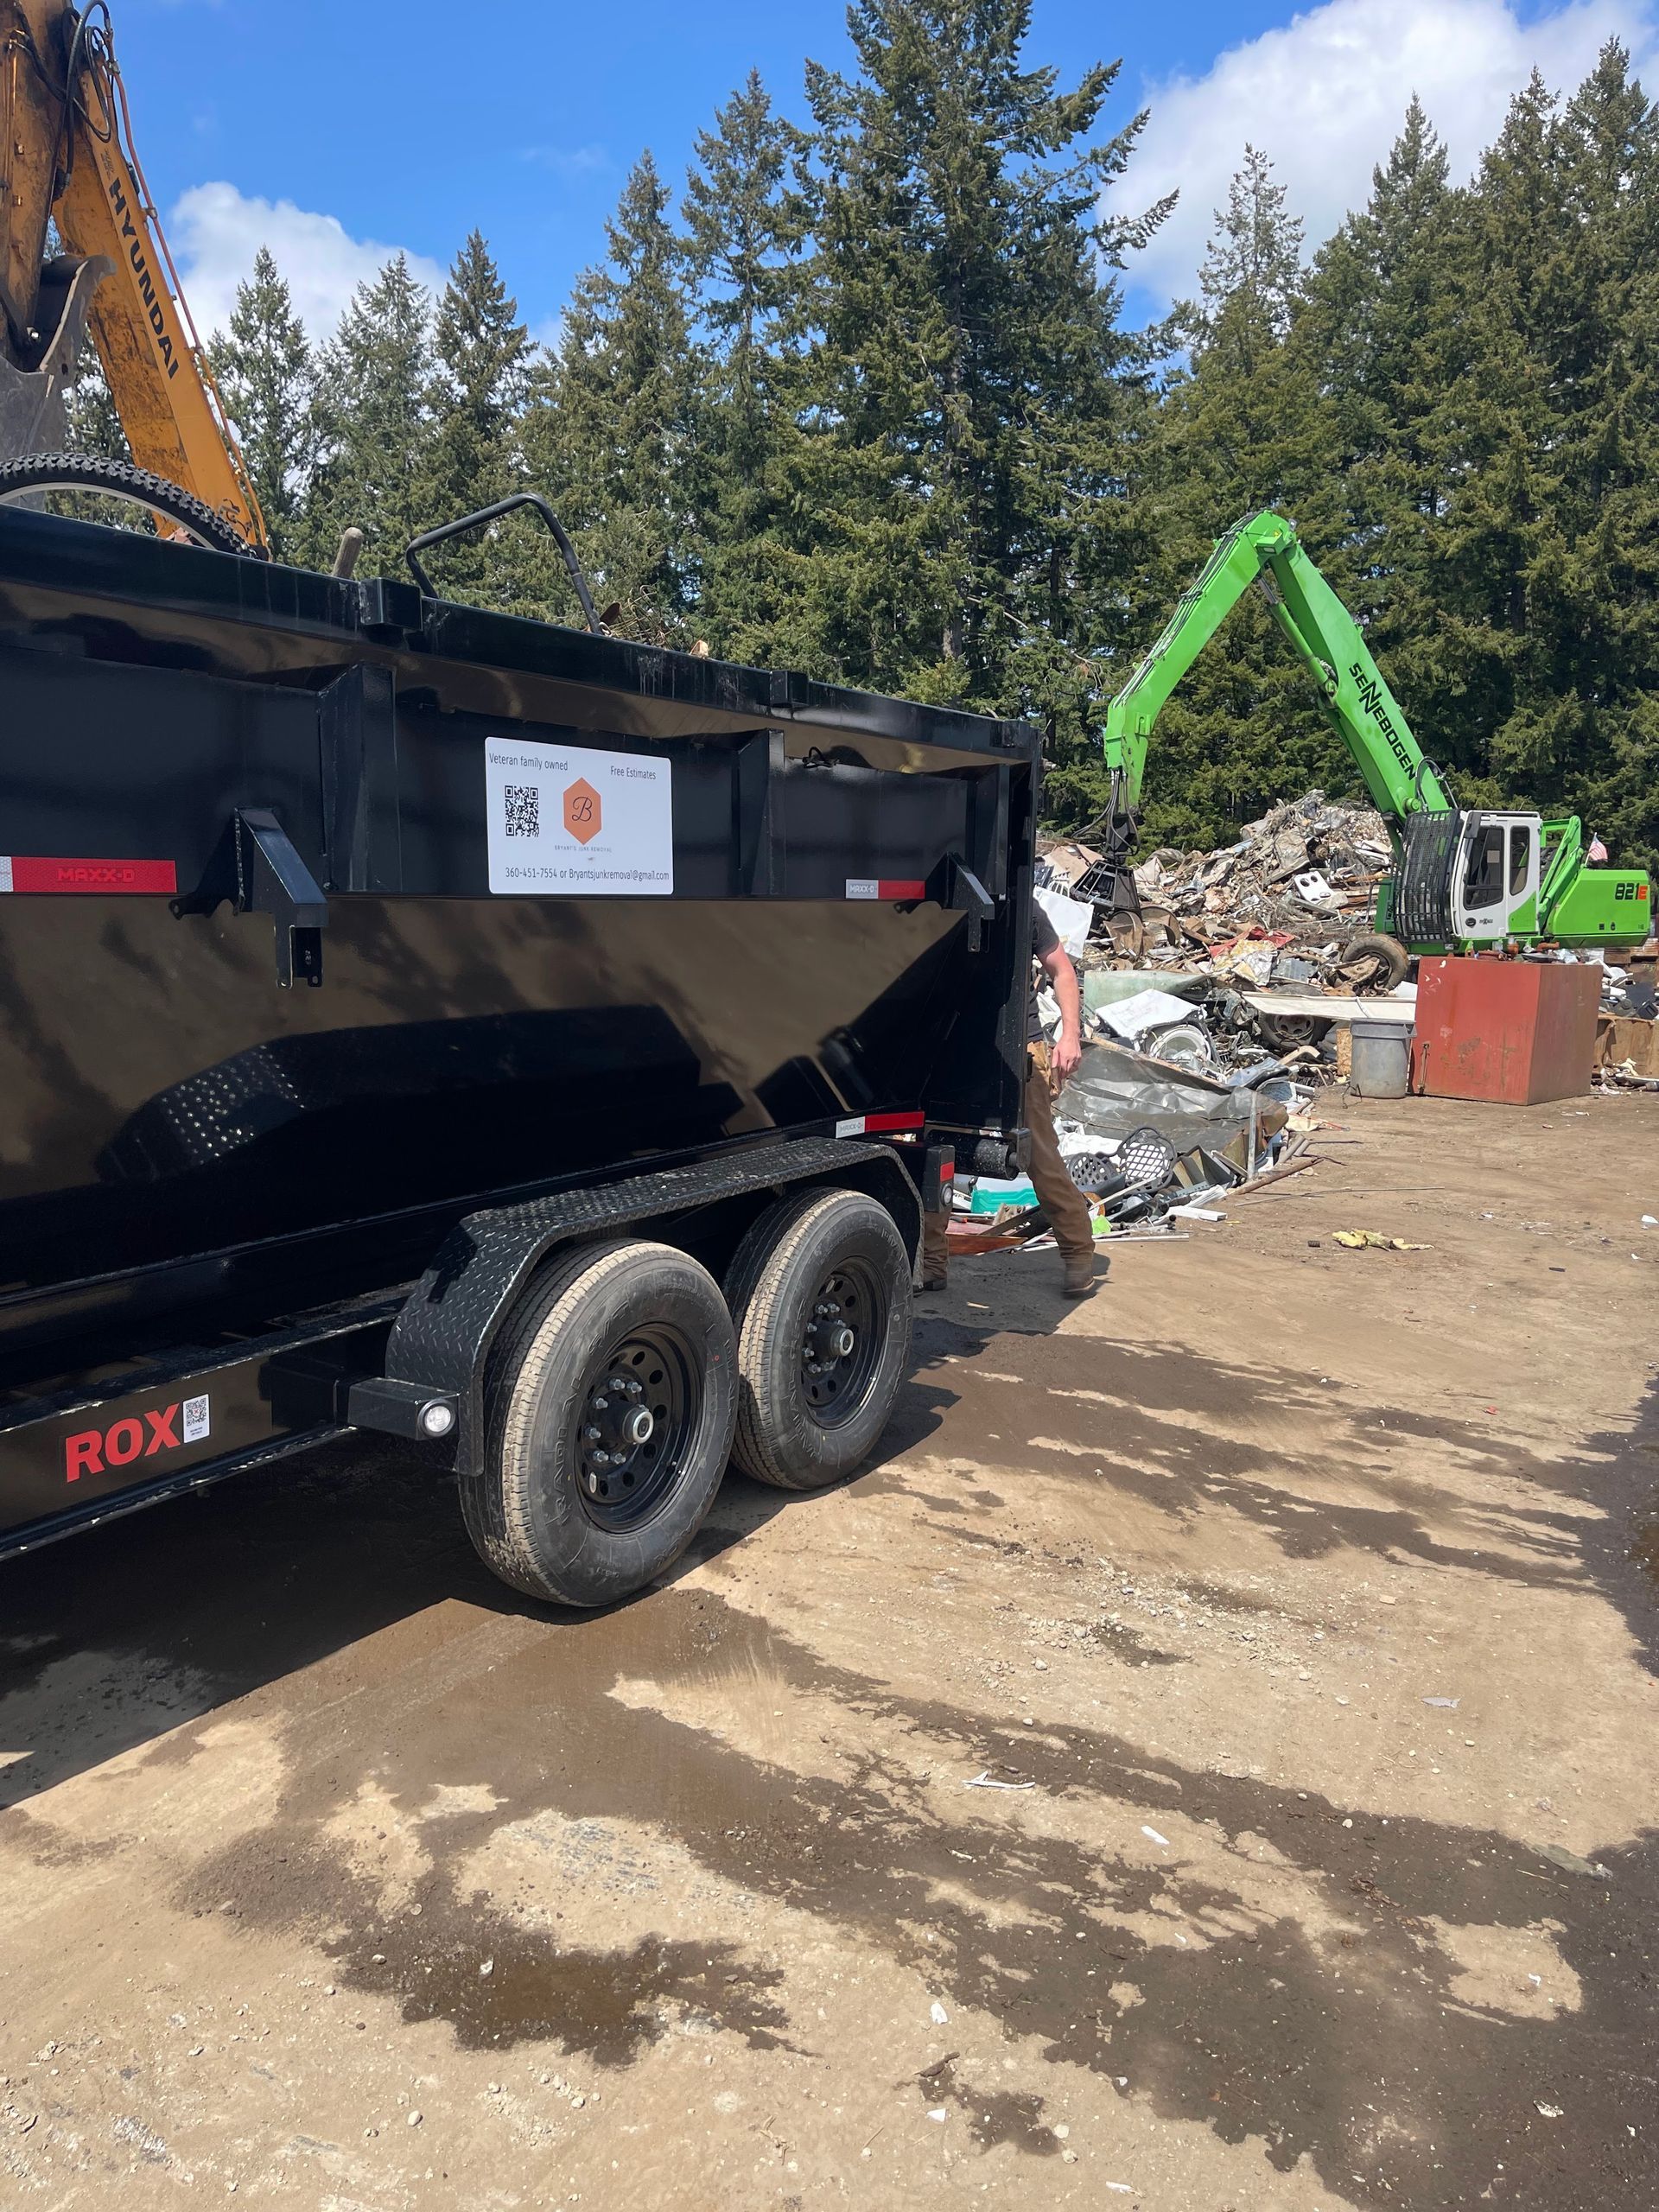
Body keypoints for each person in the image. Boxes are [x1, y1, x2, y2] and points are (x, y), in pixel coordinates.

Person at [920, 899, 1099, 1298]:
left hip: (1019, 1045)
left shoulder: (1021, 907)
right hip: (949, 1046)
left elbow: (1062, 971)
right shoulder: (936, 900)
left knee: (1039, 1156)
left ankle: (1078, 1252)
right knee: (934, 1154)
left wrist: (1071, 1034)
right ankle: (932, 1263)